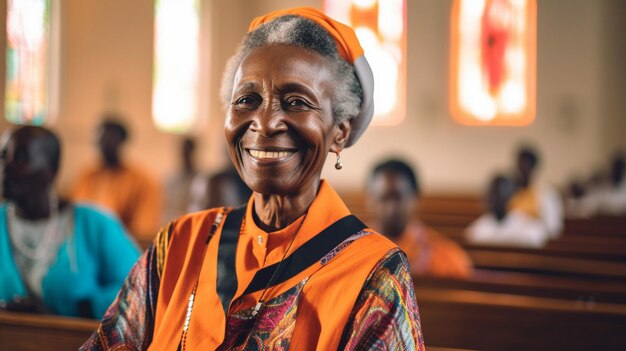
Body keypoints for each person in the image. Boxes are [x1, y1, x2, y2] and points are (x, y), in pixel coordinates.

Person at [81, 7, 424, 350]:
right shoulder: (179, 244)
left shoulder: (373, 274)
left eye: (296, 102)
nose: (265, 122)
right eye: (247, 99)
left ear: (339, 132)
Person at [0, 126, 139, 319]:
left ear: (52, 169)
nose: (6, 166)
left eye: (21, 157)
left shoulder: (94, 224)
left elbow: (142, 288)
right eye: (3, 156)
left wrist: (80, 309)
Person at [367, 159, 472, 279]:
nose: (391, 208)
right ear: (370, 200)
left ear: (415, 198)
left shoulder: (448, 259)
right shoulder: (359, 250)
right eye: (384, 198)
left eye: (398, 197)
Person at [72, 118, 163, 239]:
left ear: (122, 142)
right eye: (101, 141)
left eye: (109, 140)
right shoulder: (87, 177)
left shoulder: (142, 181)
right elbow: (75, 215)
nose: (104, 145)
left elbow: (144, 227)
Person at [466, 174, 550, 248]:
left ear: (510, 197)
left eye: (498, 194)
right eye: (491, 195)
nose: (493, 199)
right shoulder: (478, 228)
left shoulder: (529, 227)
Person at [508, 145, 563, 237]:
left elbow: (553, 228)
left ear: (533, 168)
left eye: (524, 165)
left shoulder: (547, 193)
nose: (519, 170)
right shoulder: (509, 192)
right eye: (518, 165)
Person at [163, 137, 208, 222]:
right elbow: (167, 208)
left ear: (194, 153)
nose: (185, 156)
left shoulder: (202, 181)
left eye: (188, 153)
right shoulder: (172, 181)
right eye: (184, 153)